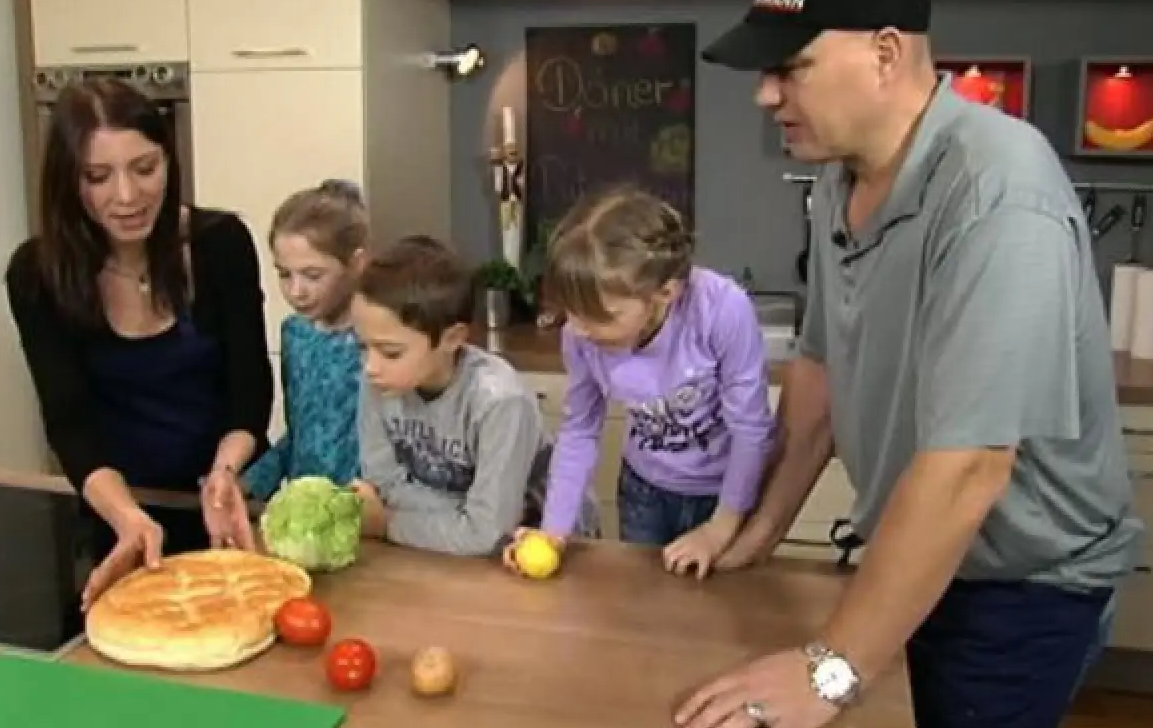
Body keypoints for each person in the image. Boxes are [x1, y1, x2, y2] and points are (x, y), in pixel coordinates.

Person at [671, 0, 1142, 728]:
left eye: (793, 67)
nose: (766, 95)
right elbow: (819, 366)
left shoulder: (1000, 191)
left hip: (1020, 591)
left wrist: (829, 670)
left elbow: (970, 468)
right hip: (915, 554)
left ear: (885, 53)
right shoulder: (835, 178)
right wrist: (759, 528)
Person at [5, 76, 273, 609]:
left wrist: (222, 477)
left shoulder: (221, 245)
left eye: (145, 168)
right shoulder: (36, 275)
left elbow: (250, 396)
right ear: (67, 183)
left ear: (169, 163)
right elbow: (69, 424)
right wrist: (127, 516)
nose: (127, 196)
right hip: (118, 511)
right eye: (98, 177)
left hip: (226, 498)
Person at [501, 185, 774, 579]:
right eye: (571, 313)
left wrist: (720, 528)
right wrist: (553, 533)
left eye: (601, 316)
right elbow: (579, 431)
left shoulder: (720, 309)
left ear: (665, 293)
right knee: (645, 608)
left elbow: (751, 429)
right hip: (643, 490)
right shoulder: (580, 334)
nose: (577, 330)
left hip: (723, 495)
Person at [347, 235, 597, 557]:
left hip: (540, 550)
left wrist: (388, 525)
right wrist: (463, 517)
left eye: (390, 352)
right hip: (448, 550)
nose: (370, 366)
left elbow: (488, 535)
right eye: (362, 346)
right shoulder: (379, 380)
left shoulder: (500, 401)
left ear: (453, 338)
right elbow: (382, 482)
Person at [224, 179, 368, 505]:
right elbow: (298, 438)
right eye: (284, 274)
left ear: (357, 263)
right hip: (305, 517)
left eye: (313, 275)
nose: (296, 291)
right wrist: (246, 485)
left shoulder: (380, 345)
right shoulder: (296, 335)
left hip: (368, 516)